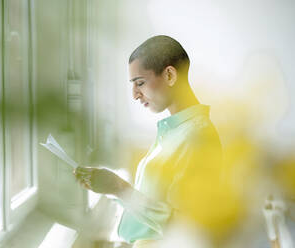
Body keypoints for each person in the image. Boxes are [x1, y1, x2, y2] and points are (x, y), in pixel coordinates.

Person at [74, 35, 224, 247]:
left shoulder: (197, 137)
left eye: (140, 83)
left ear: (170, 75)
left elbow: (184, 227)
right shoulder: (174, 131)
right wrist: (112, 189)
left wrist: (119, 188)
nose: (135, 94)